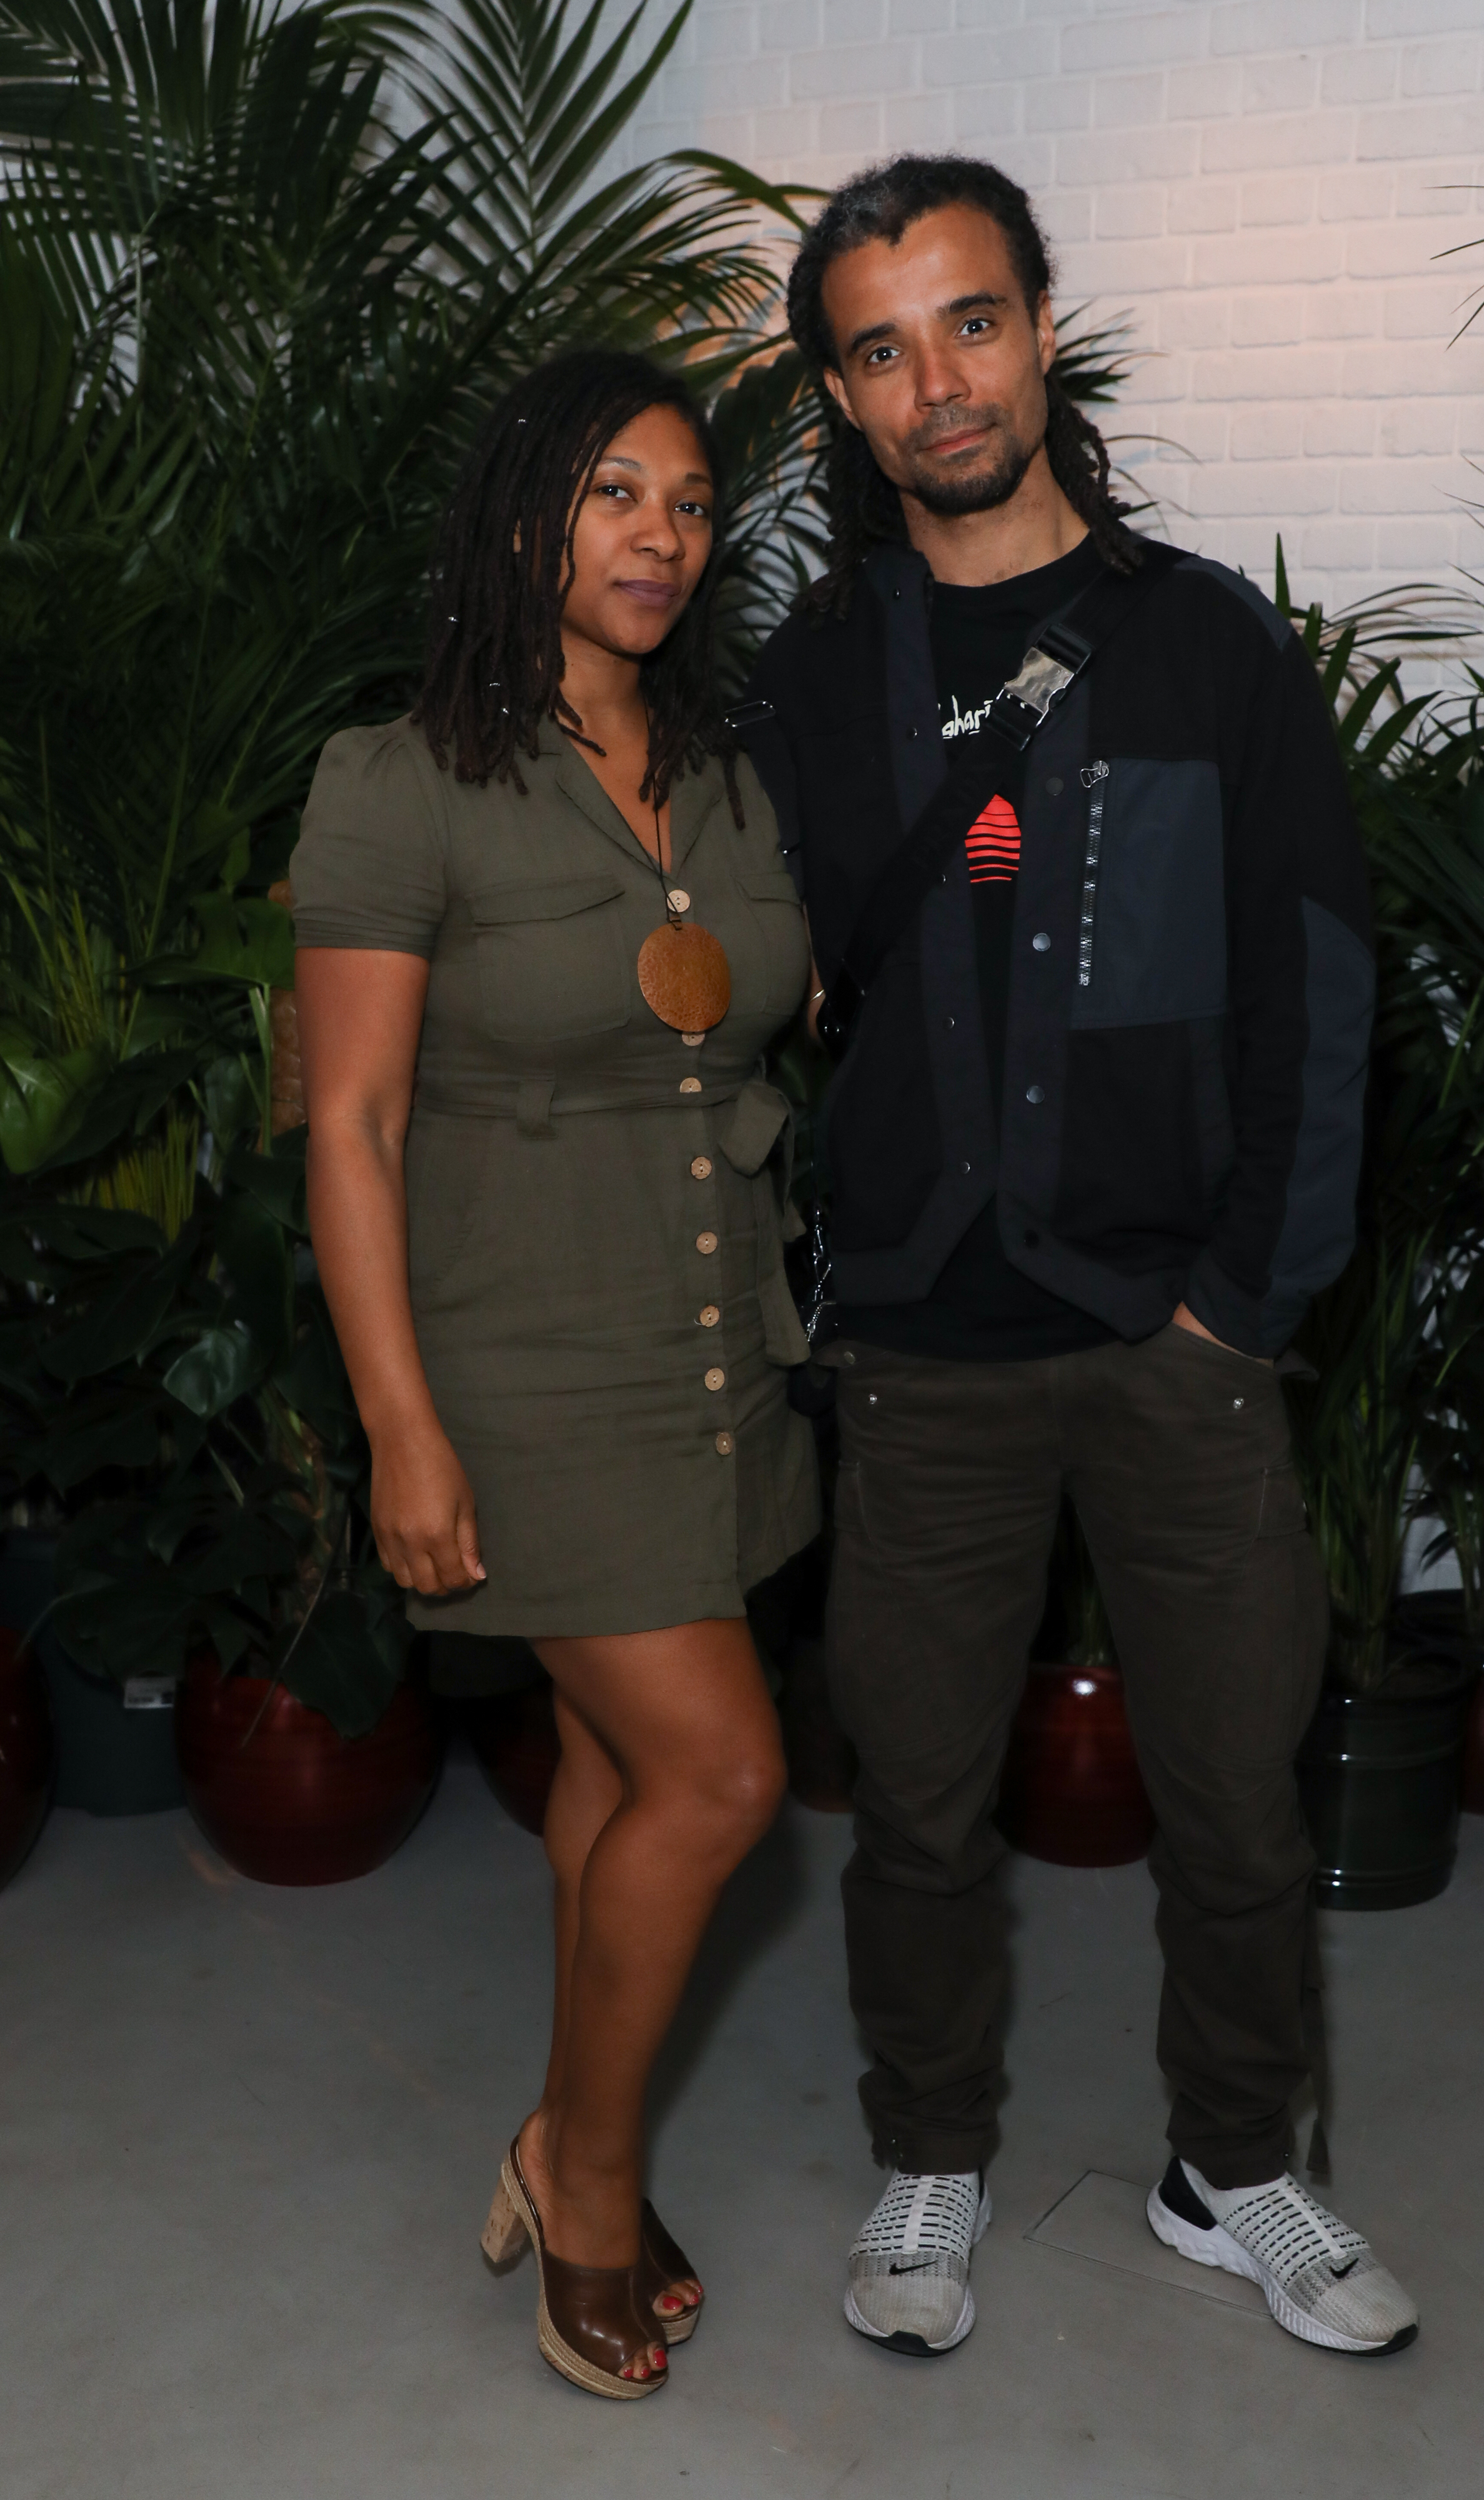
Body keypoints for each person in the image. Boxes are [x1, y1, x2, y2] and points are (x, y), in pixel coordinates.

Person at [741, 156, 1418, 2361]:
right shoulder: (812, 678)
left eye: (966, 321)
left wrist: (1249, 1297)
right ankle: (930, 2154)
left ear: (1041, 329)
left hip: (1172, 1335)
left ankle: (1233, 2170)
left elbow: (1319, 988)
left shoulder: (1206, 645)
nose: (931, 380)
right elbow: (732, 978)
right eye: (876, 346)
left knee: (1236, 1797)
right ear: (838, 398)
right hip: (924, 1354)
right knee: (919, 1810)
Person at [291, 350, 818, 2400]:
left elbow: (749, 1033)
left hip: (714, 1353)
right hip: (516, 1366)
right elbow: (349, 1127)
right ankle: (583, 2183)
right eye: (613, 492)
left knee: (615, 1775)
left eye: (688, 504)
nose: (658, 538)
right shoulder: (398, 775)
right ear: (525, 516)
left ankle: (555, 2123)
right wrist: (400, 1428)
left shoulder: (731, 777)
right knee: (725, 1775)